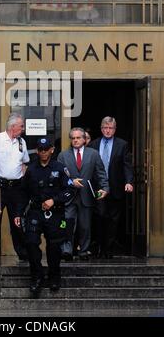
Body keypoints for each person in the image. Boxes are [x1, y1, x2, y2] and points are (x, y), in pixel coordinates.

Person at [14, 137, 73, 295]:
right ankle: (37, 276)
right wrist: (18, 213)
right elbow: (23, 193)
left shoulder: (60, 168)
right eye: (40, 149)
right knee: (31, 244)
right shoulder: (32, 170)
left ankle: (54, 276)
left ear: (52, 150)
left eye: (46, 149)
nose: (43, 152)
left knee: (54, 247)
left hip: (55, 213)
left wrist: (54, 200)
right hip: (35, 212)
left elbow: (69, 190)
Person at [0, 113, 29, 263]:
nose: (23, 129)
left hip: (16, 188)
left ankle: (23, 252)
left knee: (17, 221)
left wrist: (23, 180)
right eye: (21, 126)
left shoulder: (22, 142)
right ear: (12, 126)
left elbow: (25, 162)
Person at [58, 127, 108, 260]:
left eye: (78, 138)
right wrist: (70, 182)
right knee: (68, 224)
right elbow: (59, 177)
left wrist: (105, 188)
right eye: (73, 138)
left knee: (85, 226)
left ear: (84, 139)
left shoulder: (93, 154)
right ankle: (67, 251)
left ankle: (83, 251)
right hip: (69, 196)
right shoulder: (63, 155)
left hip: (86, 196)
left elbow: (101, 173)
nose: (75, 140)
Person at [89, 116, 134, 258]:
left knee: (113, 220)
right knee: (100, 216)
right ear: (101, 129)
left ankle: (108, 249)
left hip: (115, 188)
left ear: (115, 129)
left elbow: (126, 165)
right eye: (105, 128)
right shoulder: (94, 144)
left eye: (111, 128)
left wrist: (129, 182)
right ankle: (99, 246)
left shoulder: (122, 144)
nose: (108, 131)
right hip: (99, 187)